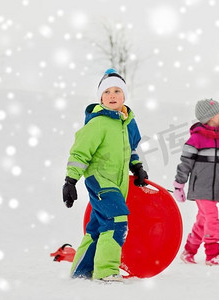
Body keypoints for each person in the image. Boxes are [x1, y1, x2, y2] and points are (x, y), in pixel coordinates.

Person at [62, 68, 148, 281]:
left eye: (117, 91)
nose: (112, 95)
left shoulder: (128, 123)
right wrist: (70, 180)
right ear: (100, 97)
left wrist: (137, 168)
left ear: (124, 96)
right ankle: (106, 270)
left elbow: (132, 149)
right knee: (116, 219)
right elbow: (80, 152)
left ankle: (81, 271)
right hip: (100, 179)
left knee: (97, 227)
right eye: (107, 92)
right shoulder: (98, 122)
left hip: (118, 183)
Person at [173, 99, 219, 266]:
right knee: (212, 217)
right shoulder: (196, 139)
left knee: (203, 221)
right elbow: (185, 163)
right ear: (208, 117)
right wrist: (179, 185)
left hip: (215, 189)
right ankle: (212, 254)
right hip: (200, 187)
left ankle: (189, 251)